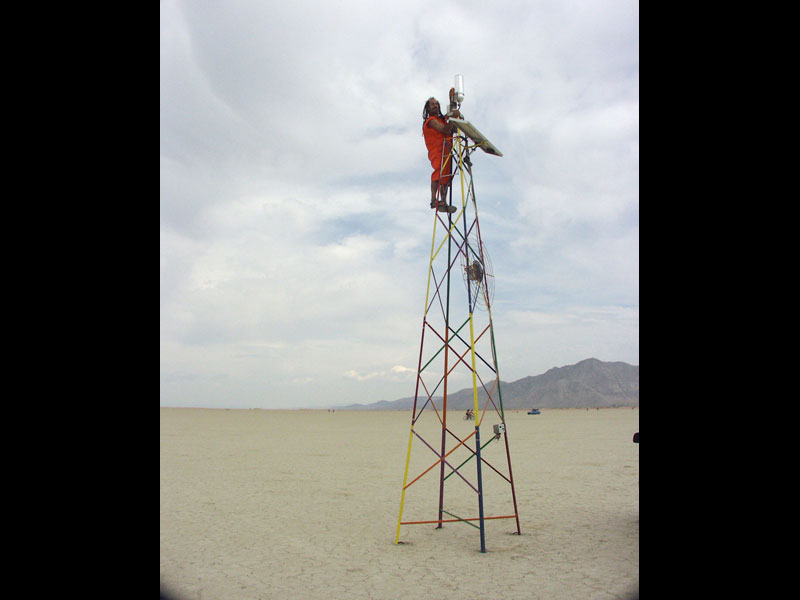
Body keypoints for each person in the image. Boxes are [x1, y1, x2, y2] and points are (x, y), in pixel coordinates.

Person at [422, 88, 462, 213]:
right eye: (432, 104)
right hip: (437, 150)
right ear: (428, 108)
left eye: (436, 104)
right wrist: (453, 119)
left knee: (446, 175)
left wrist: (452, 101)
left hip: (446, 149)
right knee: (439, 171)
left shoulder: (441, 119)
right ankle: (434, 199)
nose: (435, 106)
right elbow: (445, 129)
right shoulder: (431, 121)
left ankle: (443, 200)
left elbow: (450, 116)